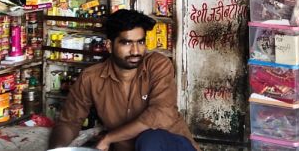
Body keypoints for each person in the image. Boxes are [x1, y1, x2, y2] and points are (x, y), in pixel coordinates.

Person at [48, 9, 197, 151]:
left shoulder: (158, 65)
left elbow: (159, 114)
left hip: (172, 146)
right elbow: (69, 122)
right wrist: (57, 150)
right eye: (126, 43)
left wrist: (109, 138)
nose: (136, 51)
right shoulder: (91, 78)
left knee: (151, 139)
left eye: (140, 42)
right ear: (109, 46)